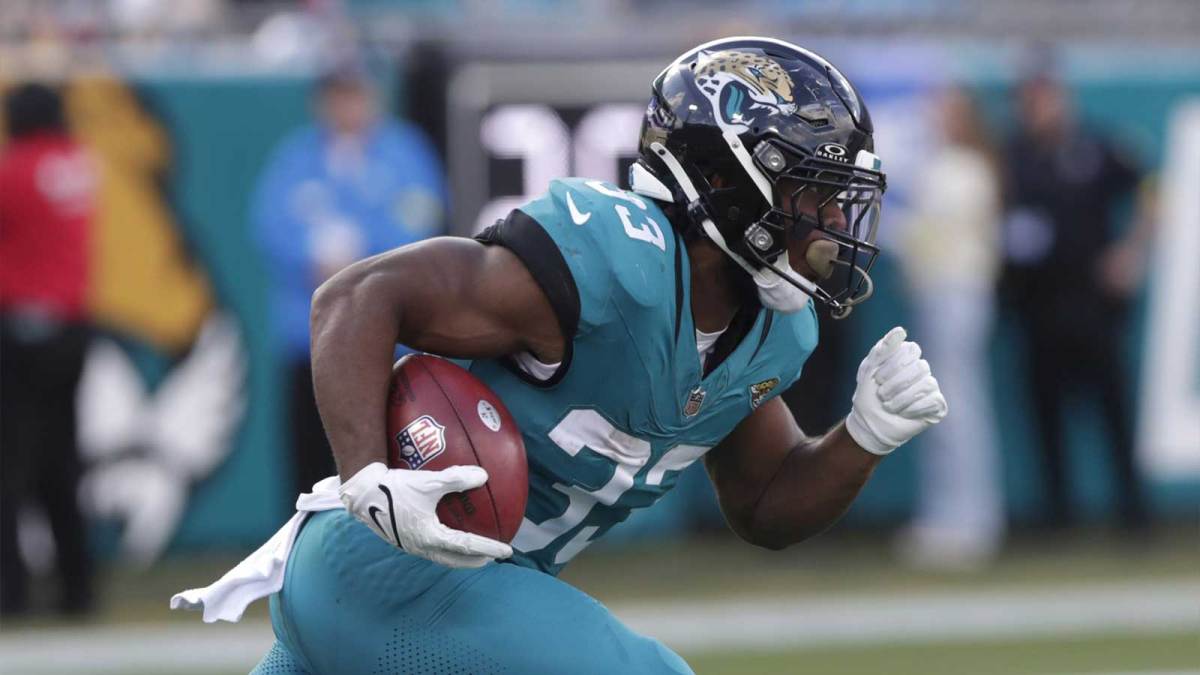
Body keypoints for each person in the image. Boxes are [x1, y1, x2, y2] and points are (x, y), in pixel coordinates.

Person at [179, 38, 947, 673]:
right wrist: (366, 476)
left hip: (440, 604)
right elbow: (355, 295)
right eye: (811, 191)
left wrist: (863, 437)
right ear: (724, 180)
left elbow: (766, 504)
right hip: (394, 567)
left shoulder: (774, 330)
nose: (831, 218)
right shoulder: (615, 261)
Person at [252, 66, 446, 501]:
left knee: (387, 460)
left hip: (387, 340)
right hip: (310, 339)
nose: (348, 107)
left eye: (355, 95)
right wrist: (312, 255)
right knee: (309, 466)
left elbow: (423, 221)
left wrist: (360, 260)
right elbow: (269, 224)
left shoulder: (403, 152)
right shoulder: (296, 157)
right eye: (338, 96)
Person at [1001, 73, 1151, 531]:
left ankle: (1133, 511)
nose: (1038, 109)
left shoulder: (1097, 147)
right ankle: (1058, 514)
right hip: (1038, 303)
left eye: (1045, 98)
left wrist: (1132, 253)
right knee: (1045, 413)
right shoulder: (1013, 156)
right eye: (1029, 100)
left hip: (1093, 302)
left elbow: (1151, 188)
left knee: (1113, 410)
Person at [895, 86, 1006, 569]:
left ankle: (970, 521)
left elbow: (928, 233)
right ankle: (951, 517)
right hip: (942, 291)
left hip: (957, 291)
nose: (934, 119)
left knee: (956, 406)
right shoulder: (945, 166)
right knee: (945, 404)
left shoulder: (963, 169)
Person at [0, 83, 97, 617]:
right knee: (61, 462)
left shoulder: (15, 170)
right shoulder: (76, 163)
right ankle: (77, 588)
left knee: (11, 467)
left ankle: (11, 591)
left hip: (19, 333)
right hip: (71, 329)